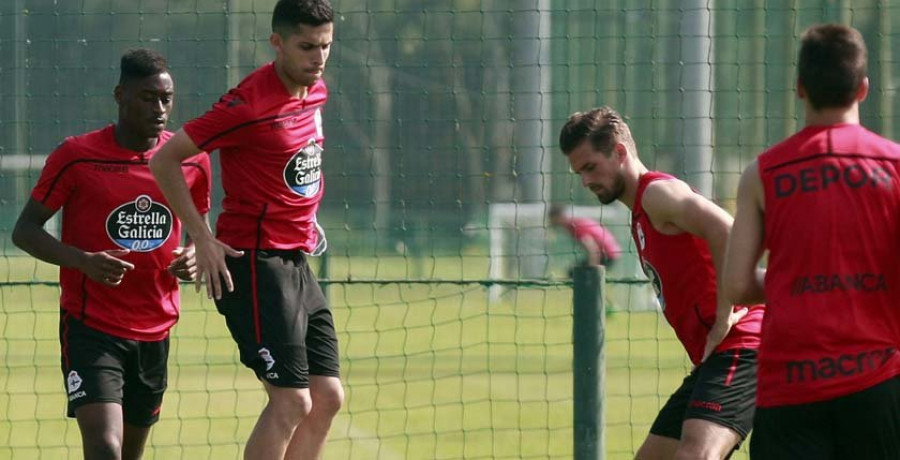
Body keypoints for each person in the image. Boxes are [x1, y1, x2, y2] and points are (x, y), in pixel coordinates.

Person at [148, 1, 343, 458]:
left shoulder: (316, 91)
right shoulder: (248, 104)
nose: (318, 57)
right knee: (292, 400)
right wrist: (201, 237)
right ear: (276, 43)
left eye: (326, 46)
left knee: (328, 397)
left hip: (295, 259)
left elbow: (296, 165)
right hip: (255, 264)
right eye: (306, 46)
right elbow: (165, 159)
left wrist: (304, 214)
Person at [11, 49, 210, 459]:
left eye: (166, 99)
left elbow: (199, 234)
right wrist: (82, 260)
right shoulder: (77, 156)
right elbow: (24, 230)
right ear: (120, 95)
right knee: (105, 446)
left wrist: (193, 256)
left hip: (155, 330)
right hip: (92, 327)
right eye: (147, 97)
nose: (160, 108)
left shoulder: (191, 160)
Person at [723, 24, 900, 459]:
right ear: (863, 89)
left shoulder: (762, 173)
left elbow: (736, 285)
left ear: (800, 88)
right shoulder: (895, 167)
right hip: (878, 382)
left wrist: (795, 279)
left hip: (790, 388)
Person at [558, 107, 765, 460]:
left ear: (620, 152)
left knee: (695, 455)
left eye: (590, 167)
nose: (585, 181)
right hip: (715, 356)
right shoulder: (640, 210)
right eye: (579, 172)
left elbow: (727, 229)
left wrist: (723, 316)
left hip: (746, 341)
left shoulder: (658, 195)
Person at [547, 204, 622, 271]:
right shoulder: (574, 224)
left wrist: (592, 272)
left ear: (558, 217)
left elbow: (592, 250)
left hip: (608, 255)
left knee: (575, 273)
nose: (550, 222)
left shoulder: (575, 227)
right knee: (576, 272)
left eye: (551, 219)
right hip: (611, 253)